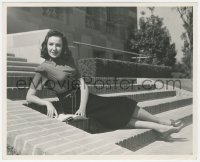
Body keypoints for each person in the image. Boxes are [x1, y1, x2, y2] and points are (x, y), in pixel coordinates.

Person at [26, 29, 184, 138]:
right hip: (71, 105)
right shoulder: (43, 69)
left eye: (58, 45)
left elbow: (83, 84)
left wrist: (82, 106)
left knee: (121, 105)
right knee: (116, 112)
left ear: (63, 46)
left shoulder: (68, 61)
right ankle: (159, 126)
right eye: (51, 44)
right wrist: (46, 103)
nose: (54, 48)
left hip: (86, 99)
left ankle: (159, 122)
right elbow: (29, 96)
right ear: (46, 46)